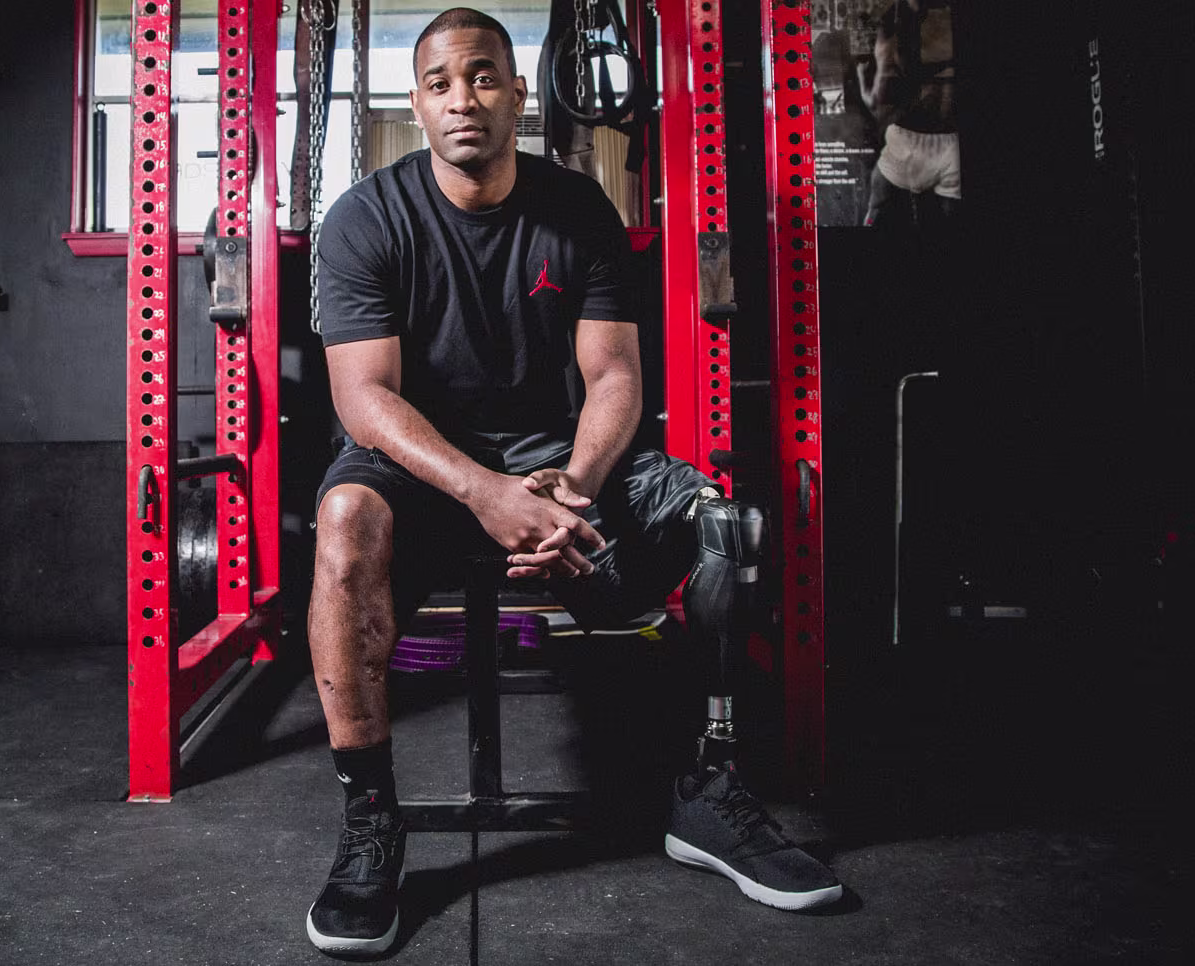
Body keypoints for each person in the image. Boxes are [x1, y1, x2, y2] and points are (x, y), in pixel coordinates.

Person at [303, 8, 843, 955]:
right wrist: (484, 491)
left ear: (517, 93)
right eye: (439, 83)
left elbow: (616, 377)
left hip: (559, 459)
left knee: (726, 525)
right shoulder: (366, 220)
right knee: (345, 519)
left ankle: (709, 796)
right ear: (418, 105)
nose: (462, 99)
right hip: (423, 465)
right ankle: (370, 827)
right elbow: (365, 400)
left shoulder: (579, 209)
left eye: (481, 77)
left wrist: (574, 485)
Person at [862, 0, 959, 227]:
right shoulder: (942, 25)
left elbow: (877, 102)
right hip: (950, 146)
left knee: (875, 211)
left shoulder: (890, 41)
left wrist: (862, 77)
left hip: (907, 143)